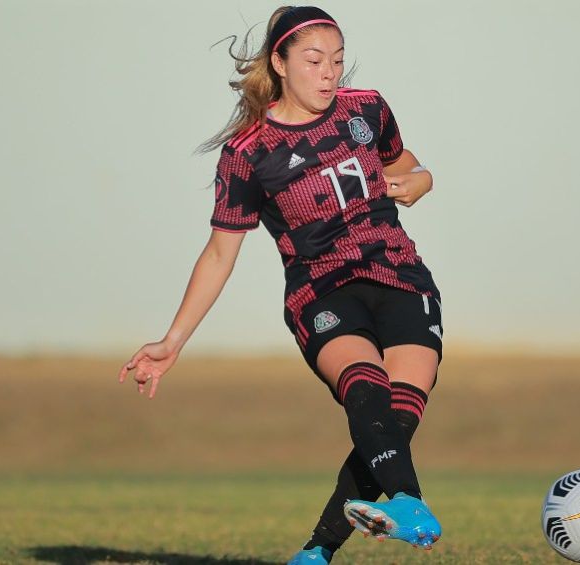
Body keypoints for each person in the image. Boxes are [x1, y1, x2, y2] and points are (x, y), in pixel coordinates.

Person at [116, 6, 444, 564]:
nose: (328, 74)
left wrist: (421, 183)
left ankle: (316, 554)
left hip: (401, 276)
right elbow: (221, 252)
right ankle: (410, 502)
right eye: (315, 61)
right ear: (280, 63)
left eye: (337, 62)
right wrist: (173, 340)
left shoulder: (366, 109)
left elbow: (410, 165)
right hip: (323, 292)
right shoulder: (249, 152)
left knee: (393, 423)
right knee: (365, 388)